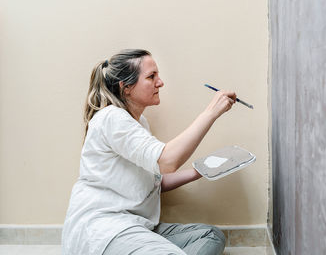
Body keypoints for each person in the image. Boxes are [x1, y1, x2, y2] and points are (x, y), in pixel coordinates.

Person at [62, 49, 237, 255]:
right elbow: (168, 160)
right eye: (151, 76)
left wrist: (200, 170)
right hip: (106, 230)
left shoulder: (138, 123)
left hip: (138, 226)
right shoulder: (112, 119)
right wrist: (212, 112)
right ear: (125, 87)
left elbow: (153, 182)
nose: (160, 82)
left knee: (211, 236)